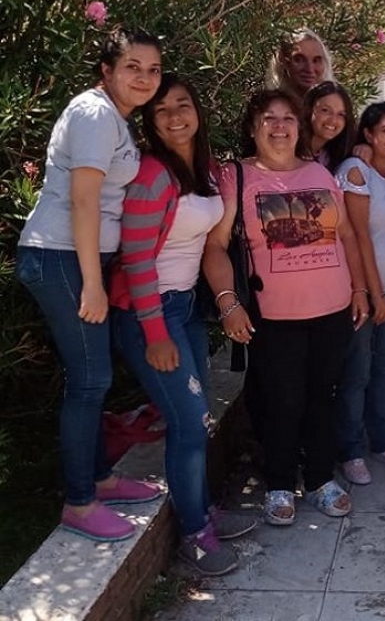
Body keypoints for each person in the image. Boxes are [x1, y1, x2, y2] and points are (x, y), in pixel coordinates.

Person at [15, 28, 164, 542]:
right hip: (61, 258)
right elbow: (83, 201)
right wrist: (93, 285)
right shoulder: (96, 114)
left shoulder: (113, 119)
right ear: (107, 71)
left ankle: (100, 478)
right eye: (132, 67)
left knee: (92, 378)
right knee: (88, 381)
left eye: (152, 69)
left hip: (76, 258)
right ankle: (79, 501)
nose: (144, 78)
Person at [109, 74, 257, 574]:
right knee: (190, 423)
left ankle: (202, 512)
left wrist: (229, 301)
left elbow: (212, 248)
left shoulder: (208, 173)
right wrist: (154, 334)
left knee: (197, 421)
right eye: (161, 110)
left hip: (186, 308)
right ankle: (194, 536)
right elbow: (135, 260)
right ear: (149, 122)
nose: (175, 116)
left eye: (182, 105)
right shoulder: (153, 174)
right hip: (148, 312)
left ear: (198, 110)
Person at [202, 89, 369, 526]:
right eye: (268, 118)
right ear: (253, 128)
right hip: (274, 317)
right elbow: (215, 246)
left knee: (321, 397)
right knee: (281, 402)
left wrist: (359, 291)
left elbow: (347, 234)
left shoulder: (319, 172)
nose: (279, 126)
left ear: (299, 126)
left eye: (287, 118)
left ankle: (318, 479)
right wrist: (227, 304)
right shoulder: (235, 176)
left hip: (332, 310)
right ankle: (278, 483)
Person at [334, 102, 385, 485]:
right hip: (366, 291)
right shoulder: (356, 171)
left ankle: (384, 441)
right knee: (356, 372)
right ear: (368, 135)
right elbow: (358, 235)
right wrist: (371, 292)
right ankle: (350, 450)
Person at [264, 28, 335, 106]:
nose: (309, 69)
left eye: (316, 60)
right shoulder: (270, 109)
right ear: (283, 61)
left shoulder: (334, 110)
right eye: (299, 60)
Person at [303, 80, 356, 172]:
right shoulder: (290, 150)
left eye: (341, 114)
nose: (333, 120)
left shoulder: (333, 155)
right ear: (309, 109)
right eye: (325, 110)